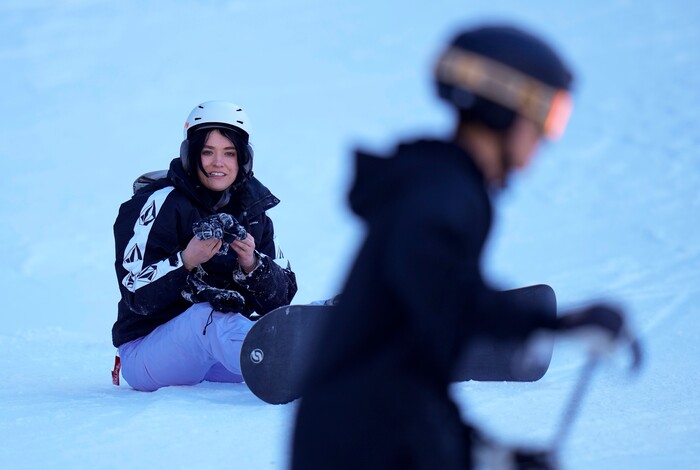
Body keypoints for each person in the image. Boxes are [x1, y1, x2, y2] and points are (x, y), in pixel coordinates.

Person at [291, 25, 636, 469]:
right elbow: (447, 297)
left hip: (366, 432)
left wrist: (484, 452)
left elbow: (413, 363)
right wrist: (559, 323)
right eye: (548, 115)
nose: (547, 136)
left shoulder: (440, 187)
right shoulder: (442, 194)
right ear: (503, 106)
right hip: (357, 444)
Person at [112, 100, 297, 392]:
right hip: (147, 352)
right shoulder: (159, 204)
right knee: (207, 315)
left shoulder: (253, 211)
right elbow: (134, 291)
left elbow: (282, 300)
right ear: (190, 156)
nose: (218, 163)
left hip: (214, 355)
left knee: (278, 323)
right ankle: (291, 368)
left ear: (243, 159)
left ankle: (333, 352)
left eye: (229, 153)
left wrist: (253, 264)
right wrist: (185, 260)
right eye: (207, 152)